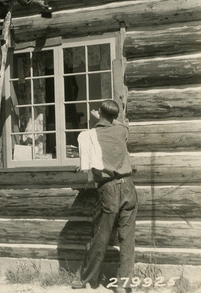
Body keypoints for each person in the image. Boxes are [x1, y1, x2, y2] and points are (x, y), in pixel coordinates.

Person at [72, 100, 138, 293]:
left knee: (100, 236)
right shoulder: (120, 131)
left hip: (108, 188)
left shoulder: (89, 135)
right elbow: (123, 126)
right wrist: (109, 118)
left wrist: (99, 118)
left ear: (99, 112)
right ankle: (123, 285)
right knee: (127, 239)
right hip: (128, 186)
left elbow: (88, 163)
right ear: (115, 116)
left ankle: (86, 279)